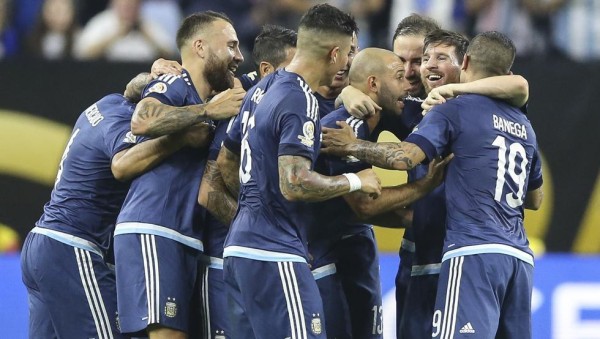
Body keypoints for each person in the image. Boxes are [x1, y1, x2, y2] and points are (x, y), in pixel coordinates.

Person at [322, 31, 544, 339]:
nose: (420, 69)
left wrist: (351, 146)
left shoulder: (450, 109)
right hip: (516, 256)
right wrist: (349, 92)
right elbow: (534, 198)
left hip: (470, 253)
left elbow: (406, 158)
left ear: (464, 62)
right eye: (417, 61)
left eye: (436, 58)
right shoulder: (523, 123)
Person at [221, 4, 381, 338]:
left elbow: (225, 161)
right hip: (274, 253)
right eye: (349, 53)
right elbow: (294, 182)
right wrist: (355, 180)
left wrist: (257, 209)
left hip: (238, 252)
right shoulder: (300, 97)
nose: (350, 62)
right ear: (334, 53)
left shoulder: (259, 91)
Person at [20, 72, 212, 339]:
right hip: (74, 245)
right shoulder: (122, 118)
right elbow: (122, 165)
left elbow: (135, 85)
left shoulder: (106, 104)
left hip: (42, 242)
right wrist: (181, 137)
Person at [113, 11, 245, 338]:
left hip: (183, 233)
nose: (239, 56)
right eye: (231, 46)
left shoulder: (212, 95)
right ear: (200, 47)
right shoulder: (176, 81)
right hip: (154, 227)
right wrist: (208, 111)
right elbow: (142, 119)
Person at [312, 47, 452, 339]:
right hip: (323, 254)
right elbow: (363, 206)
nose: (408, 84)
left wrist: (413, 216)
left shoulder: (389, 113)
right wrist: (424, 186)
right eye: (400, 76)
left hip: (356, 247)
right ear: (373, 85)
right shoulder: (340, 128)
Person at [197, 24, 297, 339]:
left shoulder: (288, 99)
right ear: (267, 69)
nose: (300, 79)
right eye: (293, 69)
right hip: (226, 256)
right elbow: (209, 191)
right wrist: (255, 226)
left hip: (264, 253)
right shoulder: (242, 103)